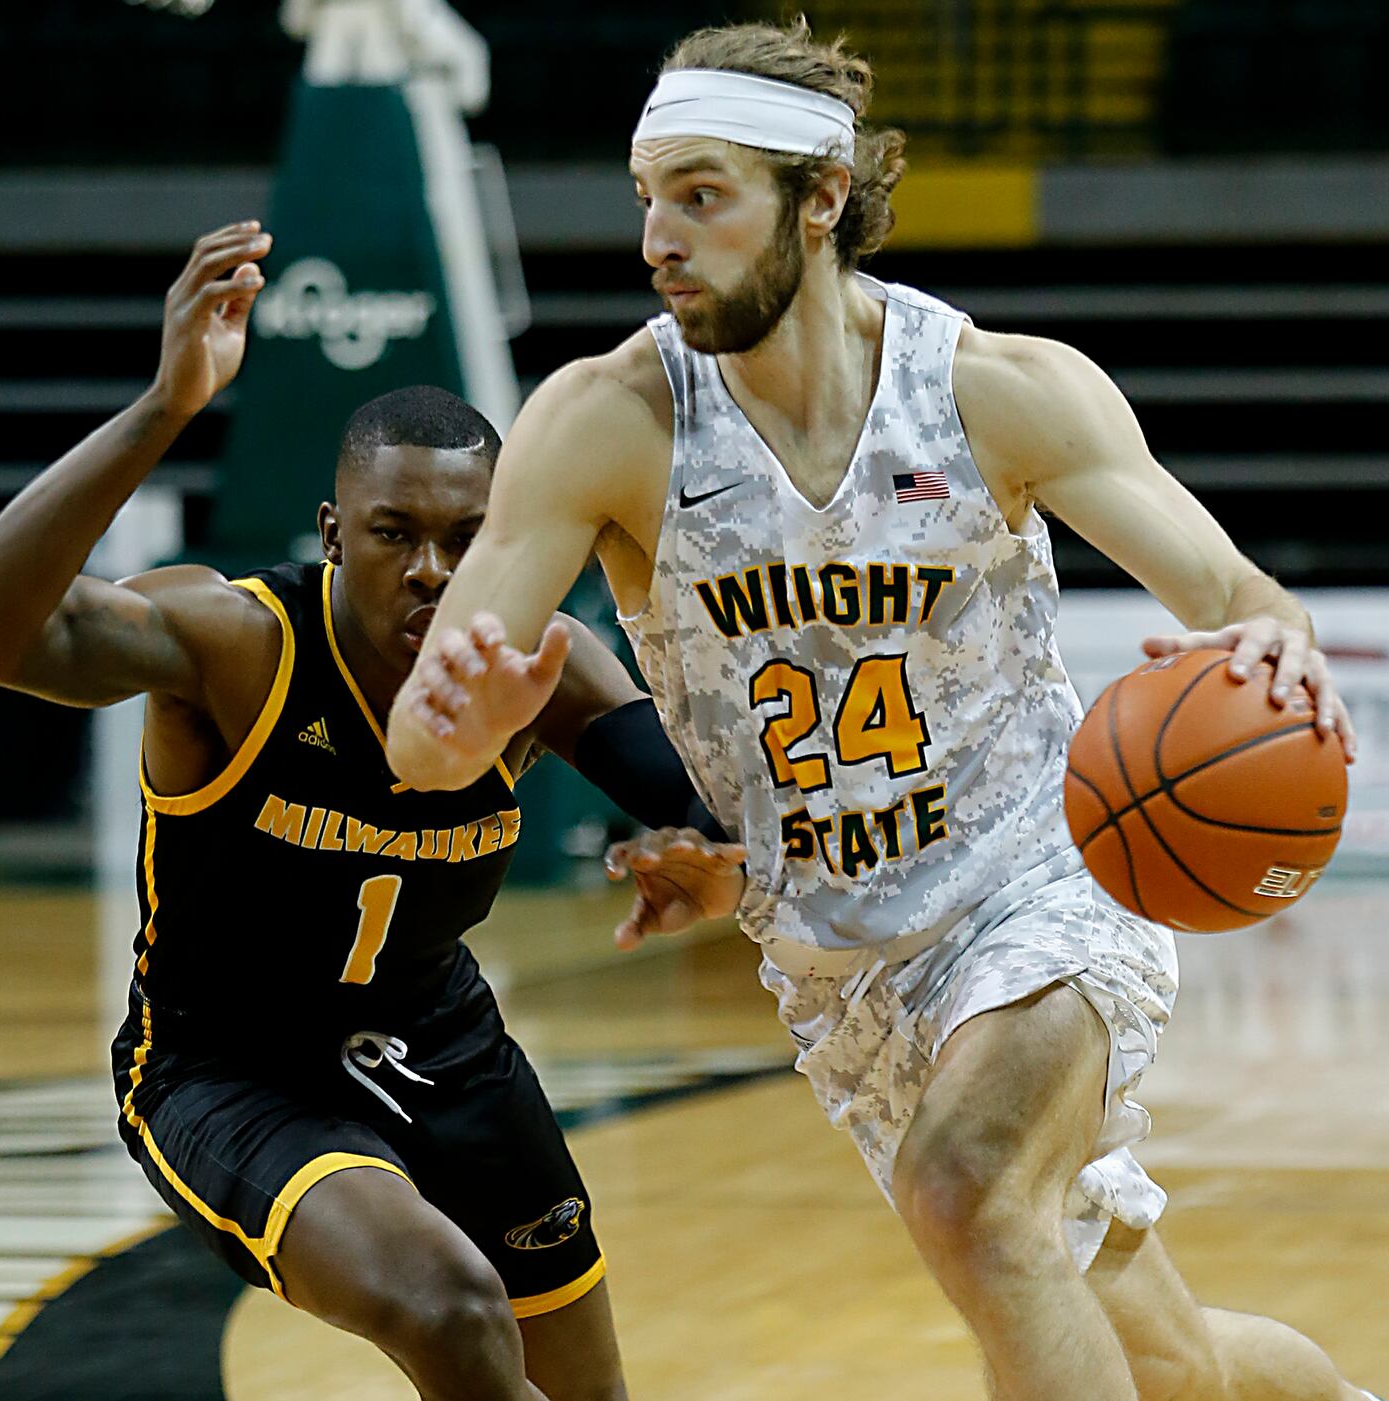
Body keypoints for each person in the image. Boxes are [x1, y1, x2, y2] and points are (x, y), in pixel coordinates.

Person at [384, 20, 1374, 1401]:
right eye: (646, 197)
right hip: (842, 969)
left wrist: (1281, 647)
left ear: (823, 198)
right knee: (1171, 1364)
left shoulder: (994, 391)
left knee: (967, 1191)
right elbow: (424, 751)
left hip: (1044, 888)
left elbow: (1232, 588)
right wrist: (461, 722)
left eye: (703, 195)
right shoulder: (603, 421)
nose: (659, 236)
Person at [0, 224, 743, 1401]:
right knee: (452, 1310)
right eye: (394, 535)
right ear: (330, 536)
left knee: (585, 1383)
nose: (430, 570)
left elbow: (710, 811)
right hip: (227, 1070)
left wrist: (697, 861)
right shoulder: (234, 644)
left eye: (467, 540)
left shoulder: (533, 670)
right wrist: (166, 408)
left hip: (446, 1049)